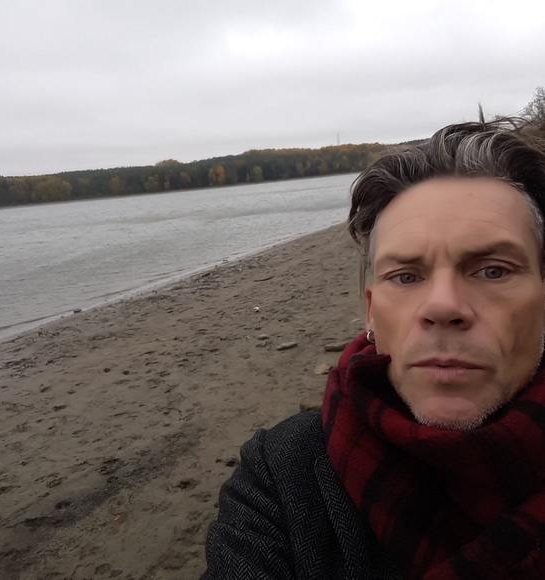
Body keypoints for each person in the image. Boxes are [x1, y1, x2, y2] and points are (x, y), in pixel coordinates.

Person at [201, 117, 545, 579]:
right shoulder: (281, 476)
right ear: (371, 313)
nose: (443, 306)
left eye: (493, 270)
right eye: (405, 277)